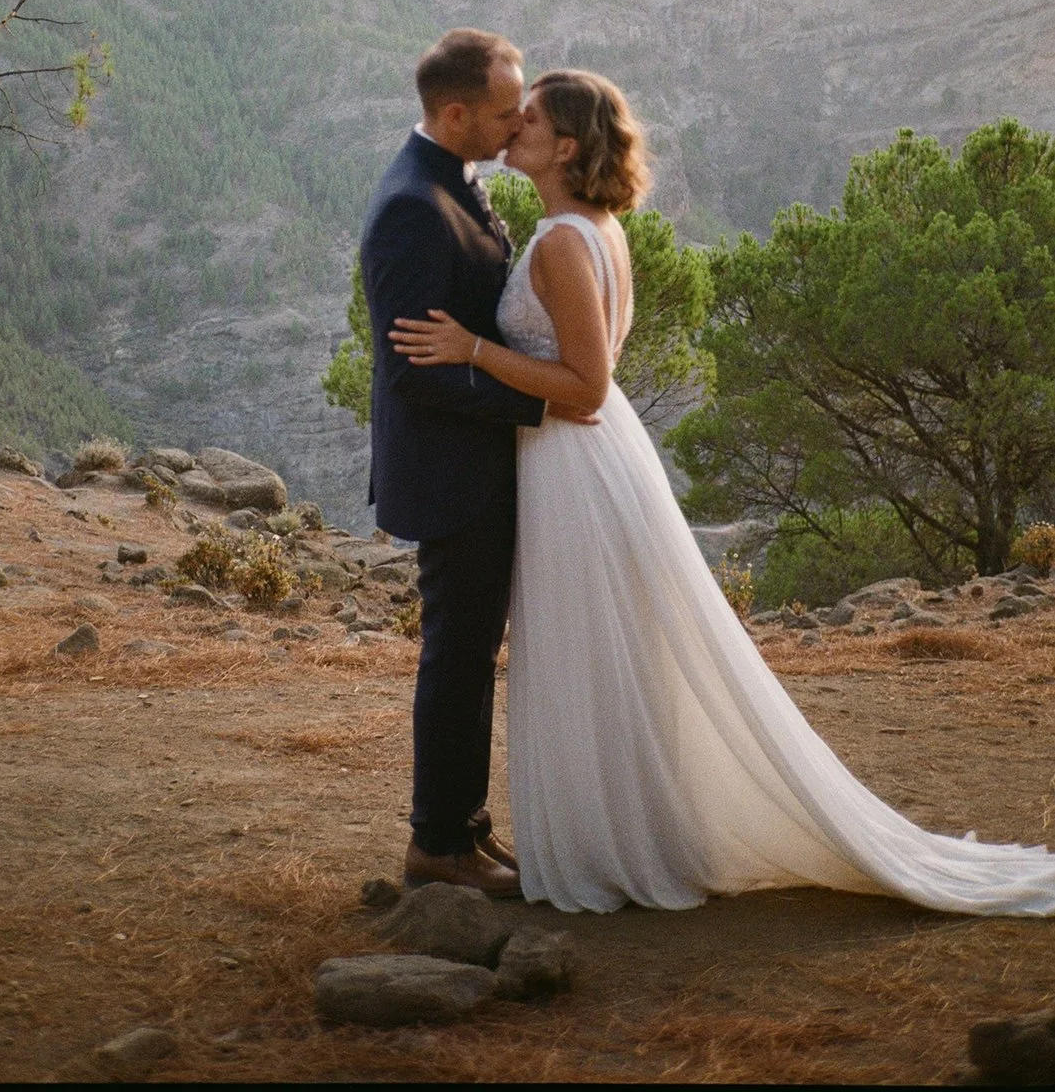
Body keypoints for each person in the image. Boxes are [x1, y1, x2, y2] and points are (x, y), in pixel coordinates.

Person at [390, 68, 1055, 916]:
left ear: (563, 146)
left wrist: (470, 350)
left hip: (572, 457)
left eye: (531, 118)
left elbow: (585, 386)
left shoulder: (562, 240)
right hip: (584, 457)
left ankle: (614, 845)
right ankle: (623, 827)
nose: (512, 125)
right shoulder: (590, 226)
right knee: (603, 653)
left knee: (587, 654)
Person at [361, 29, 592, 898]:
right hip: (452, 475)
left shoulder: (458, 180)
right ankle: (436, 847)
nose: (515, 123)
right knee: (455, 659)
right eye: (502, 113)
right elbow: (413, 376)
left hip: (487, 465)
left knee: (469, 655)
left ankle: (465, 830)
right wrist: (539, 401)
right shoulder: (411, 208)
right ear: (454, 113)